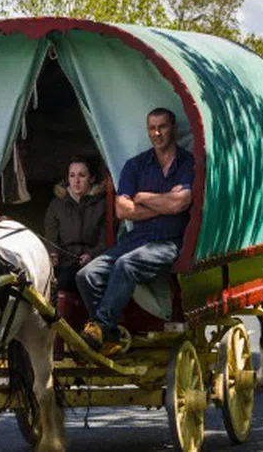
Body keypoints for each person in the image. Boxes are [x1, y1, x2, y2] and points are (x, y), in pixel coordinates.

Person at [75, 107, 194, 356]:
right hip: (136, 239)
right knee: (87, 274)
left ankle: (100, 327)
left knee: (126, 265)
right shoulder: (136, 165)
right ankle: (110, 335)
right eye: (152, 127)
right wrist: (163, 204)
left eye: (162, 126)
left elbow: (180, 203)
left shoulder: (188, 163)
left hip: (170, 242)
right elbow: (122, 210)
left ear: (173, 128)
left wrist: (144, 198)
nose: (157, 132)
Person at [44, 156, 107, 293]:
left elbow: (106, 240)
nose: (76, 181)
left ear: (92, 178)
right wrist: (53, 254)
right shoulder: (56, 205)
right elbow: (51, 236)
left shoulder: (103, 204)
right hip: (64, 263)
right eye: (72, 176)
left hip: (93, 263)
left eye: (82, 175)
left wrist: (91, 254)